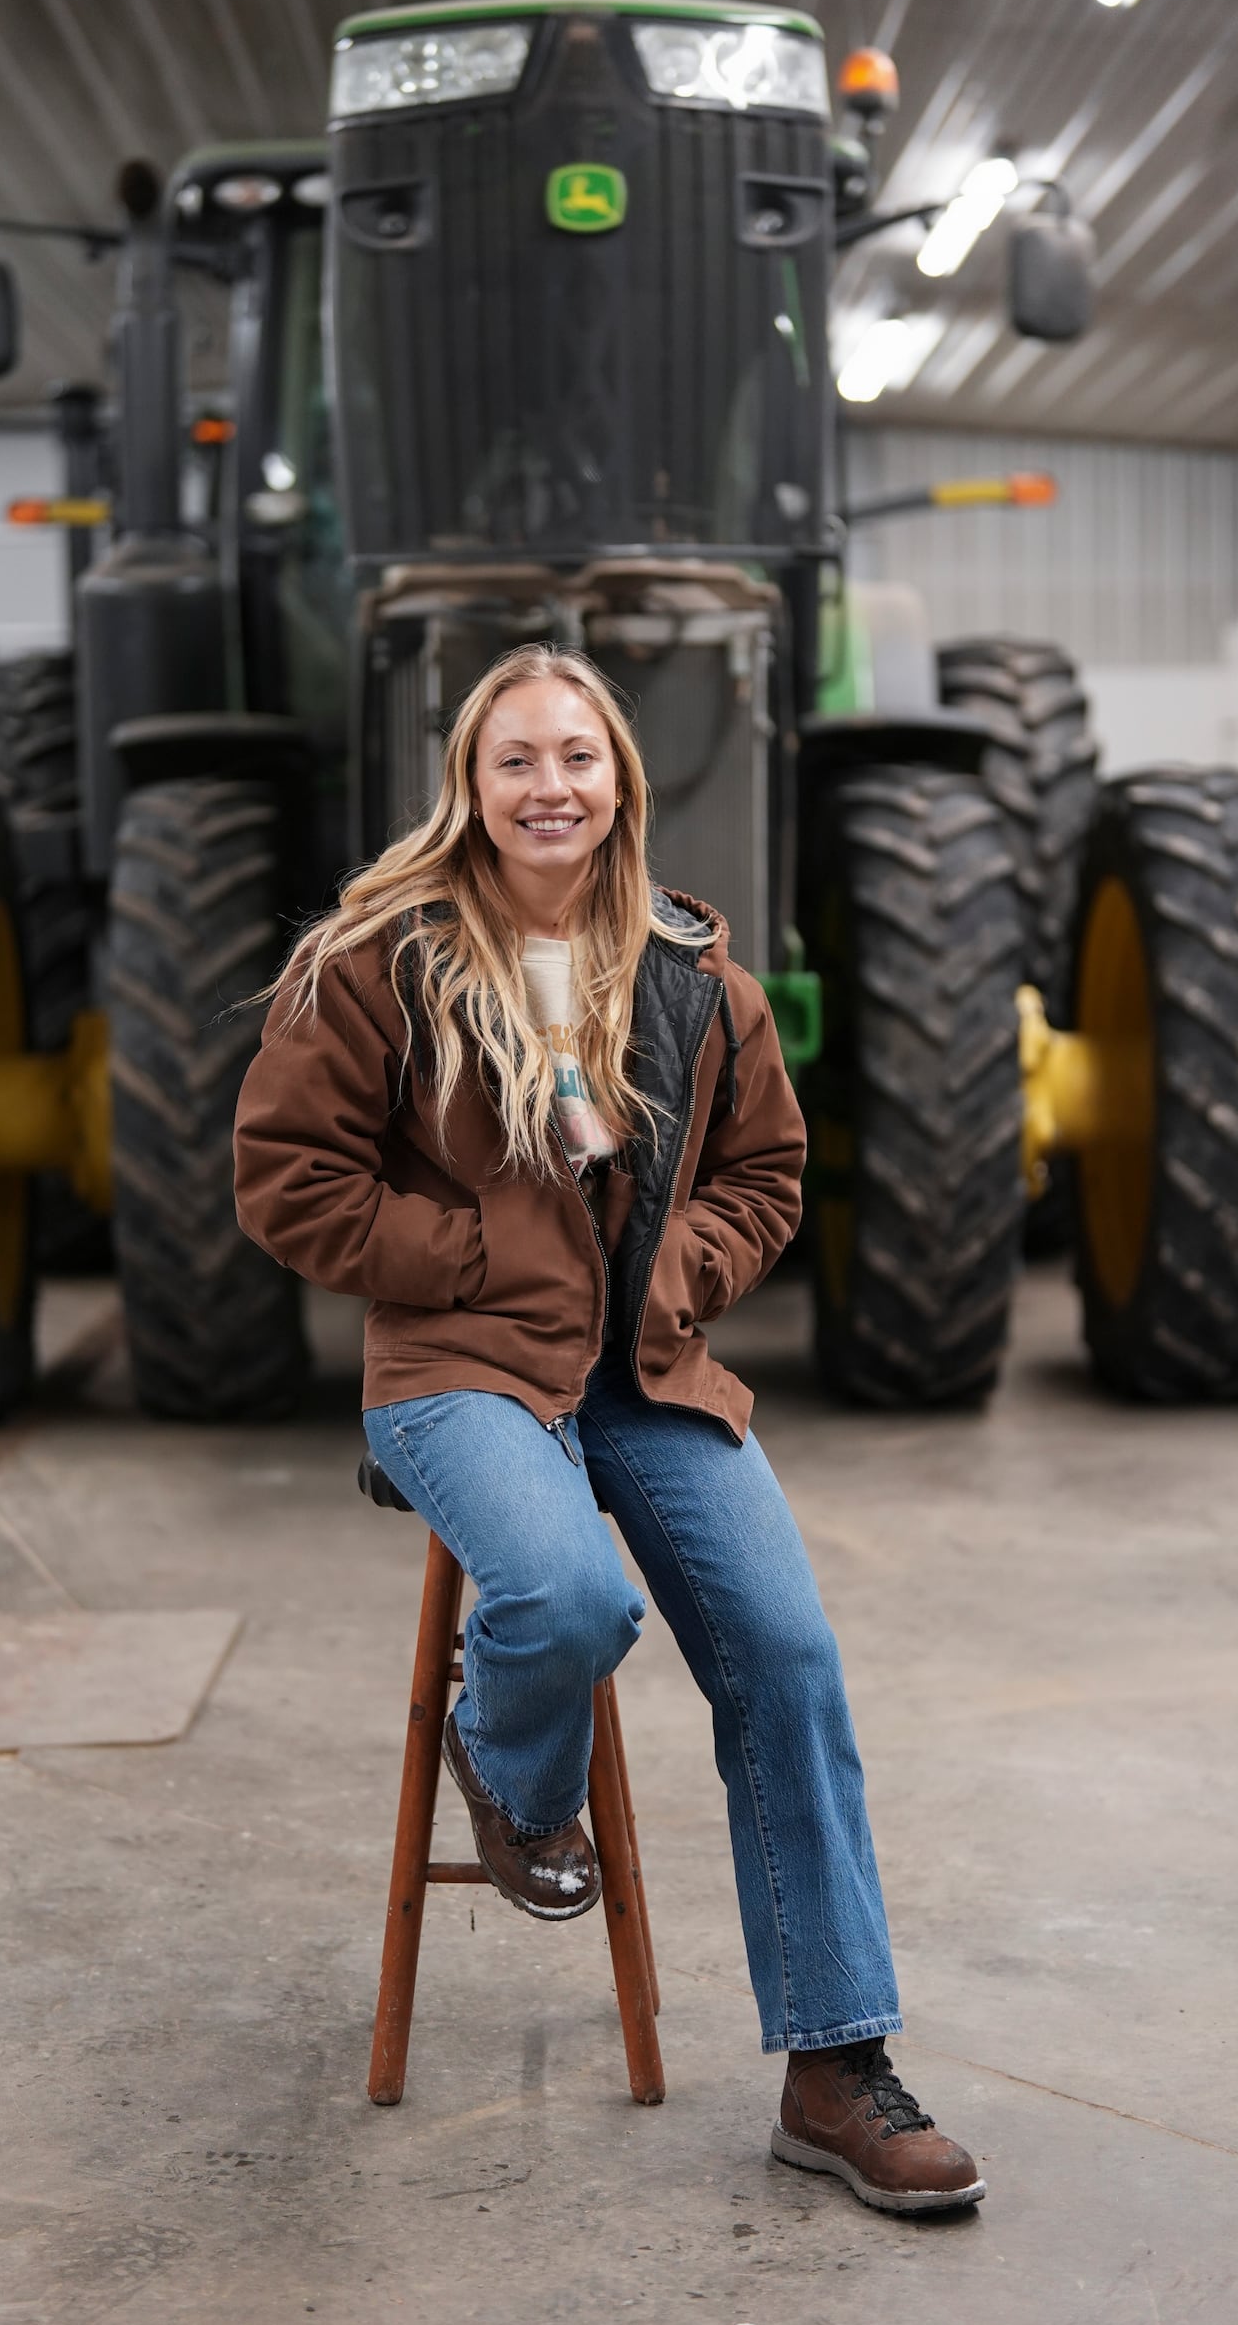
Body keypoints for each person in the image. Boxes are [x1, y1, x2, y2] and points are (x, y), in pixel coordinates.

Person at [234, 643, 983, 2216]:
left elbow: (767, 1175)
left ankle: (836, 2067)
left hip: (650, 1371)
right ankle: (509, 1769)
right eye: (516, 760)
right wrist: (473, 1258)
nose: (549, 786)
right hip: (461, 1370)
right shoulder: (381, 960)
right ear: (470, 783)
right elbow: (286, 1181)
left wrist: (687, 1269)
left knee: (789, 1660)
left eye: (578, 756)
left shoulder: (693, 969)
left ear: (622, 777)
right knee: (568, 1597)